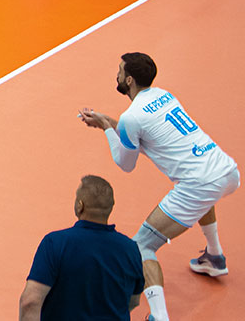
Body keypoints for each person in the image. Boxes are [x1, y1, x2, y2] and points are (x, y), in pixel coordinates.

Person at [79, 52, 240, 321]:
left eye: (120, 70)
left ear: (129, 80)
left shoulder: (132, 117)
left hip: (199, 183)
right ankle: (214, 257)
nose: (117, 74)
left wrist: (106, 128)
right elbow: (142, 137)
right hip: (225, 170)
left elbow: (125, 162)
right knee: (205, 196)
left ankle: (159, 316)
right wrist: (108, 122)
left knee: (140, 247)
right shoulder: (164, 95)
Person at [19, 175, 144, 320]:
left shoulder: (55, 243)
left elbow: (30, 302)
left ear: (80, 205)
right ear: (111, 207)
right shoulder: (131, 249)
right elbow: (133, 301)